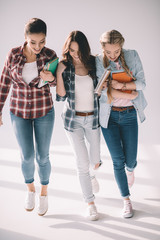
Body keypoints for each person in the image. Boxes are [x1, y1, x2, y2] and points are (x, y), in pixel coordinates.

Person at [0, 18, 57, 216]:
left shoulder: (50, 55)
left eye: (42, 41)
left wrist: (52, 79)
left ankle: (43, 193)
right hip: (19, 111)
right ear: (25, 38)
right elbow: (5, 82)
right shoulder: (14, 54)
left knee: (43, 156)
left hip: (44, 111)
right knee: (27, 155)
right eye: (33, 42)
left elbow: (58, 84)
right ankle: (30, 190)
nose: (38, 46)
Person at [96, 30, 147, 218]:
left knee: (130, 160)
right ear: (103, 49)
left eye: (116, 51)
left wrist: (121, 86)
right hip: (109, 117)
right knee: (118, 160)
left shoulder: (132, 55)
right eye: (108, 52)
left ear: (121, 46)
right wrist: (129, 93)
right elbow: (102, 92)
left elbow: (142, 84)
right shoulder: (98, 61)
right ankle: (126, 200)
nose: (112, 55)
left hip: (129, 115)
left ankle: (131, 170)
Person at [56, 31, 102, 221]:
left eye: (78, 50)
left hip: (93, 119)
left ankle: (92, 175)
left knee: (95, 162)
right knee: (81, 163)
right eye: (71, 50)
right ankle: (89, 203)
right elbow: (60, 96)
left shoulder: (94, 63)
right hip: (72, 121)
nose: (75, 54)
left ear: (84, 48)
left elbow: (101, 88)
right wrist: (58, 73)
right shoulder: (65, 67)